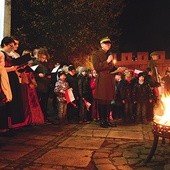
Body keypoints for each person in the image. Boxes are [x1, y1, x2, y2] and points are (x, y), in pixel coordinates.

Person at [92, 37, 125, 128]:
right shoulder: (96, 54)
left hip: (110, 80)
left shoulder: (110, 54)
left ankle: (107, 120)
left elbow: (112, 68)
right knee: (102, 100)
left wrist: (118, 69)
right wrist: (107, 61)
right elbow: (97, 67)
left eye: (109, 43)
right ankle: (102, 121)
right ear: (101, 44)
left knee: (108, 101)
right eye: (106, 43)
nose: (108, 45)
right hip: (102, 80)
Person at [0, 36, 25, 130]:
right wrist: (12, 68)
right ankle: (4, 128)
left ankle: (8, 126)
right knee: (5, 103)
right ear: (5, 44)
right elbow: (1, 69)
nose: (12, 48)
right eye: (10, 46)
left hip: (10, 78)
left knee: (10, 104)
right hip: (5, 79)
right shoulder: (1, 54)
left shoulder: (6, 54)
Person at [32, 48, 51, 122]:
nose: (43, 59)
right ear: (39, 56)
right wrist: (37, 75)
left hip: (45, 85)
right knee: (40, 102)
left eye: (45, 58)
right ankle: (40, 117)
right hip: (39, 86)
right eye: (42, 58)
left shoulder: (45, 64)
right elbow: (31, 73)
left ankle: (44, 117)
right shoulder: (35, 63)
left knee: (44, 102)